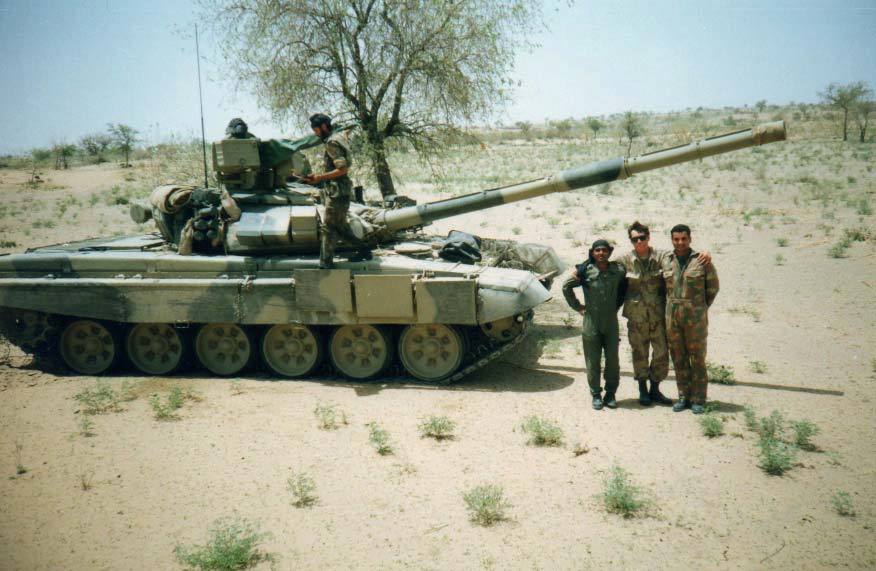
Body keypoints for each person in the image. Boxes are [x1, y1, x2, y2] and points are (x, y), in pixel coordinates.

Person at [561, 239, 627, 410]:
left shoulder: (618, 270)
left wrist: (618, 306)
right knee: (592, 360)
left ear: (610, 252)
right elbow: (566, 286)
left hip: (611, 321)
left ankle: (611, 393)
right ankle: (596, 394)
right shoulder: (585, 271)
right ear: (592, 253)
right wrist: (578, 307)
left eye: (604, 250)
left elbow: (625, 287)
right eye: (597, 250)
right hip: (591, 321)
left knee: (613, 360)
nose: (601, 253)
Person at [662, 224, 720, 414]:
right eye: (676, 239)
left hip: (695, 319)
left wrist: (699, 308)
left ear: (690, 239)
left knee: (697, 359)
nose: (680, 243)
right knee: (678, 357)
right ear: (672, 240)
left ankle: (699, 399)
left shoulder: (702, 261)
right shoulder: (666, 260)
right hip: (673, 318)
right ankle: (683, 396)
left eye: (684, 239)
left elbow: (712, 288)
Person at [301, 114, 355, 269]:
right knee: (340, 226)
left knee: (328, 227)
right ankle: (363, 249)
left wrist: (319, 177)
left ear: (324, 126)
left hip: (336, 191)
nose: (316, 134)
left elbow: (342, 169)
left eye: (317, 130)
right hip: (341, 190)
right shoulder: (339, 137)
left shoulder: (331, 142)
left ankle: (325, 263)